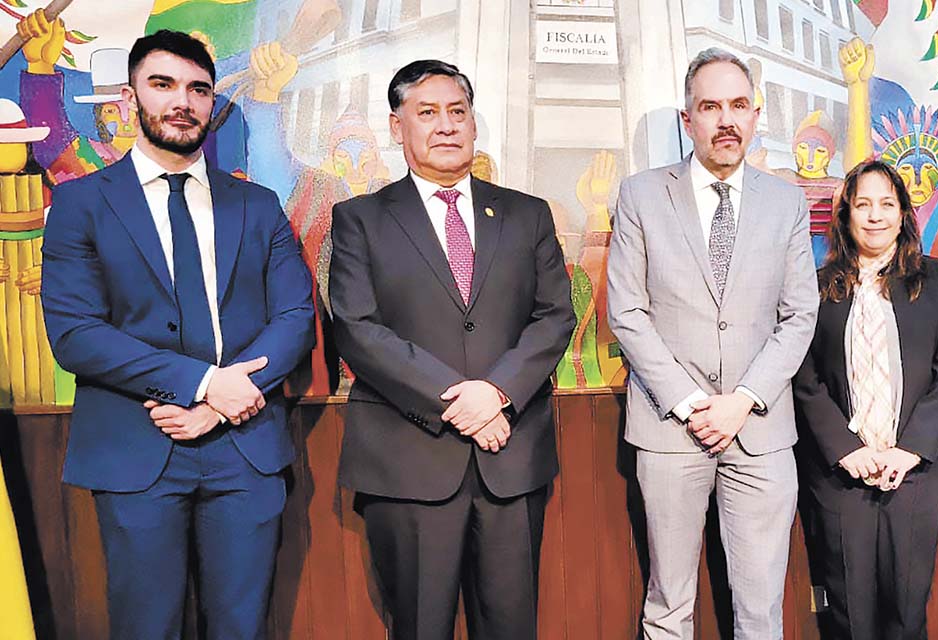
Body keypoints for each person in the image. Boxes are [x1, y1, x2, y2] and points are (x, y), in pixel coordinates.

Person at [40, 29, 316, 639]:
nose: (182, 102)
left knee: (242, 628)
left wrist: (221, 405)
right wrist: (201, 383)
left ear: (212, 103)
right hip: (136, 446)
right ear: (129, 97)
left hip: (244, 449)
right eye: (162, 85)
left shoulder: (258, 204)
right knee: (147, 628)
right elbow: (77, 333)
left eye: (197, 88)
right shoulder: (80, 204)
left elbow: (295, 317)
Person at [328, 59, 574, 640]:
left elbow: (554, 316)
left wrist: (495, 395)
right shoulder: (360, 219)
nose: (446, 125)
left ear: (473, 123)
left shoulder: (526, 214)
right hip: (408, 461)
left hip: (510, 457)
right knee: (418, 627)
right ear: (397, 128)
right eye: (428, 112)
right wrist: (457, 403)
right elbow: (358, 328)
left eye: (457, 112)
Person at [606, 47, 818, 639]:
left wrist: (743, 399)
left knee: (761, 613)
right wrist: (690, 403)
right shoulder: (642, 195)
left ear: (755, 115)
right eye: (710, 106)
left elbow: (799, 315)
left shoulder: (786, 201)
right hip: (671, 430)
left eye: (739, 105)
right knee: (669, 605)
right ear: (687, 118)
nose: (726, 119)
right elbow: (626, 313)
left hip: (761, 431)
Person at [793, 159, 938, 639]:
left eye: (886, 204)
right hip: (841, 471)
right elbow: (804, 378)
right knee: (849, 609)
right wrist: (848, 451)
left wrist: (908, 450)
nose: (875, 215)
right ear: (846, 214)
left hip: (915, 470)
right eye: (863, 204)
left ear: (903, 213)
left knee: (906, 607)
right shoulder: (817, 286)